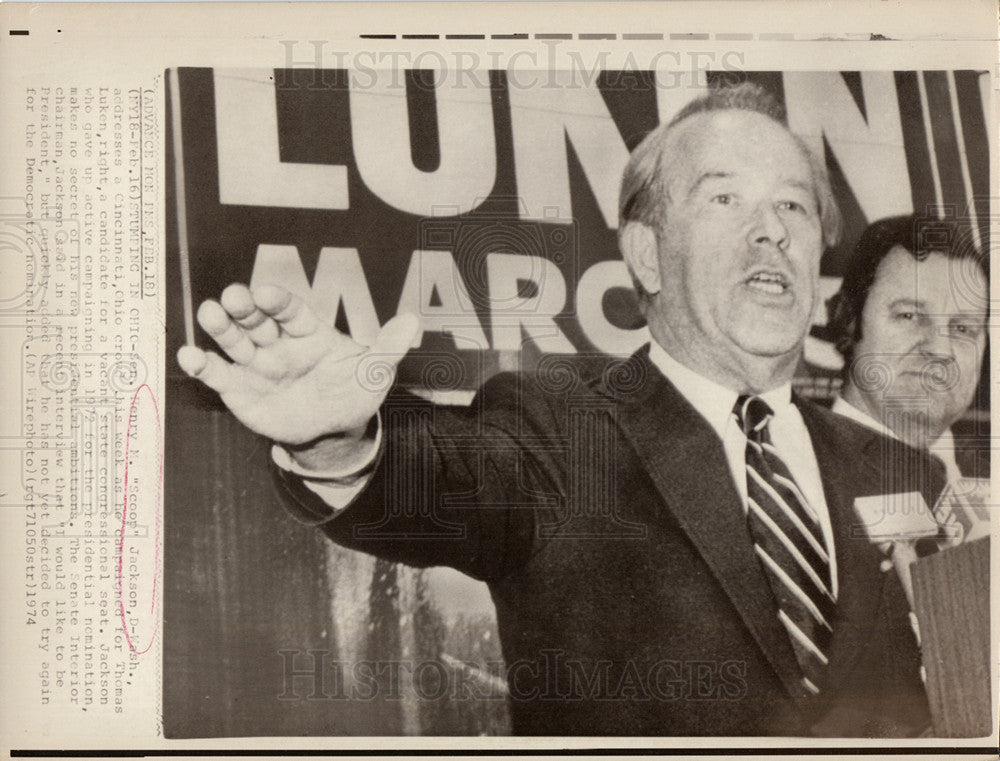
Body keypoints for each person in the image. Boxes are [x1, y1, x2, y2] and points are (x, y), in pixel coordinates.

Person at [177, 84, 943, 736]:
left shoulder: (900, 470)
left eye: (794, 206)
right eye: (724, 197)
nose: (771, 229)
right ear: (647, 255)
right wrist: (337, 440)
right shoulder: (556, 426)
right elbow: (440, 472)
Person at [829, 215, 989, 483]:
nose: (940, 350)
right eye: (909, 316)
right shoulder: (789, 476)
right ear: (847, 320)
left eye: (963, 329)